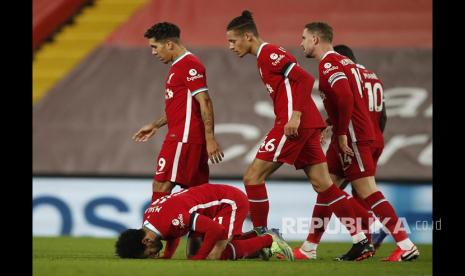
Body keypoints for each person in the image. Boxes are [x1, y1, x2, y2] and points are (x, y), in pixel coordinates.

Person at [226, 10, 374, 261]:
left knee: (252, 177)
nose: (230, 46)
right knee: (324, 186)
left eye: (232, 41)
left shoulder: (269, 53)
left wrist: (294, 115)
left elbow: (304, 79)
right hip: (306, 124)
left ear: (248, 36)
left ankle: (263, 239)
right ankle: (362, 239)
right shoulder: (264, 57)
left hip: (293, 125)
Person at [299, 22, 419, 261]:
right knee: (326, 185)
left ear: (315, 39)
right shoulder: (351, 65)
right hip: (362, 134)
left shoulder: (331, 63)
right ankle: (309, 246)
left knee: (367, 191)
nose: (300, 42)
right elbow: (366, 105)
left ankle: (403, 244)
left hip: (353, 137)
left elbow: (344, 97)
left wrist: (342, 132)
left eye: (303, 38)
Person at [293, 44, 389, 260]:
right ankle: (365, 239)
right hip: (374, 139)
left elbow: (347, 104)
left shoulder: (343, 74)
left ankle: (373, 229)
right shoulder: (371, 76)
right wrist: (374, 140)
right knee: (357, 192)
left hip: (352, 139)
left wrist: (341, 131)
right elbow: (381, 114)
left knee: (328, 188)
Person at [132, 22, 224, 202]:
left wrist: (210, 138)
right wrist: (155, 125)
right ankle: (205, 230)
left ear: (169, 44)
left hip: (183, 138)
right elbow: (181, 108)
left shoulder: (189, 65)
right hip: (188, 137)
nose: (153, 52)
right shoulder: (178, 67)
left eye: (154, 47)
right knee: (198, 194)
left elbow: (204, 100)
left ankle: (153, 230)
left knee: (161, 186)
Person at [115, 183, 294, 261]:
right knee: (193, 255)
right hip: (207, 205)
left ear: (146, 241)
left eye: (148, 254)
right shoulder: (150, 220)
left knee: (214, 255)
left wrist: (202, 258)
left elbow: (216, 231)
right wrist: (168, 255)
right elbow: (171, 234)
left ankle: (269, 239)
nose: (153, 256)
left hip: (229, 201)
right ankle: (256, 238)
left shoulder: (171, 221)